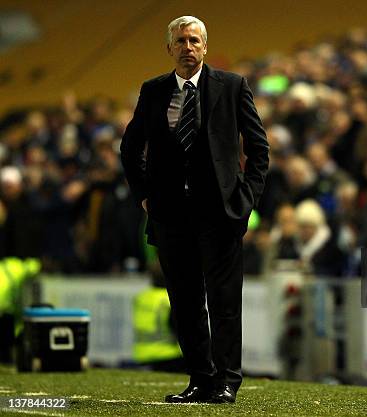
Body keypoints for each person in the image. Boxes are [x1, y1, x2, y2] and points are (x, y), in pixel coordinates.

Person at [120, 16, 269, 404]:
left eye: (194, 40)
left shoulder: (233, 86)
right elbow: (129, 148)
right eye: (181, 41)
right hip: (170, 215)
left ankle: (226, 380)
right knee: (185, 303)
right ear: (169, 48)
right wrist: (144, 195)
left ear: (204, 46)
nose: (188, 47)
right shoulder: (153, 91)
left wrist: (245, 199)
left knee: (223, 302)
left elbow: (259, 148)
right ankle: (201, 379)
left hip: (219, 213)